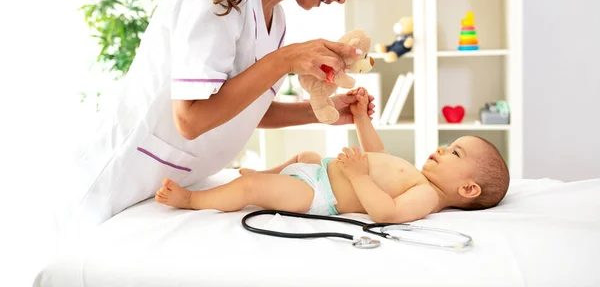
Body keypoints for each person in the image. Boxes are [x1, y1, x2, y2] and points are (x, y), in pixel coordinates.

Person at [64, 0, 389, 228]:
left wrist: (321, 112)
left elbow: (243, 109)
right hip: (115, 183)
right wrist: (287, 60)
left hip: (170, 187)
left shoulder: (275, 21)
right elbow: (191, 119)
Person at [156, 87, 511, 222]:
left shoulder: (425, 196)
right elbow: (375, 153)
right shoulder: (416, 177)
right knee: (306, 154)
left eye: (454, 153)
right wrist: (359, 117)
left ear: (467, 189)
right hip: (319, 172)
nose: (440, 149)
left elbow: (386, 213)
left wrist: (357, 177)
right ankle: (266, 174)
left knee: (252, 193)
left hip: (318, 196)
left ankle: (193, 199)